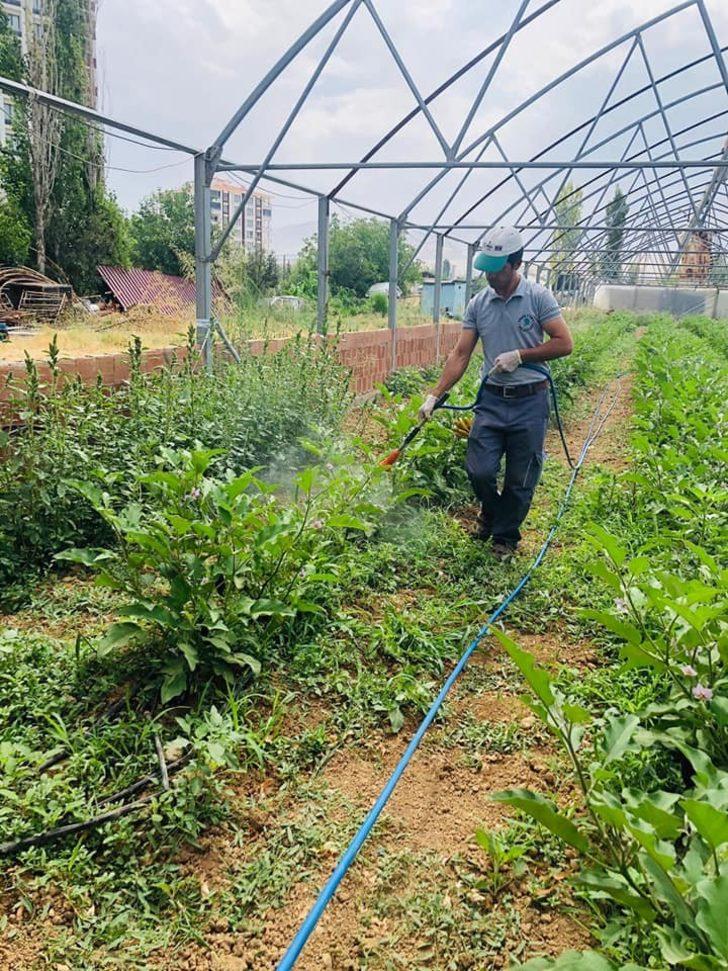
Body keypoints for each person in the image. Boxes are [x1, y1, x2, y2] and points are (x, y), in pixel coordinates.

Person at [419, 226, 573, 556]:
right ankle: (492, 514)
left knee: (520, 477)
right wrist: (435, 394)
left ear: (516, 263)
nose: (488, 276)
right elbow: (461, 353)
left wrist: (521, 356)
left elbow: (564, 343)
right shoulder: (478, 304)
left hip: (530, 400)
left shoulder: (538, 297)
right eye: (485, 268)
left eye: (496, 269)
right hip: (491, 400)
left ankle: (504, 537)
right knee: (479, 469)